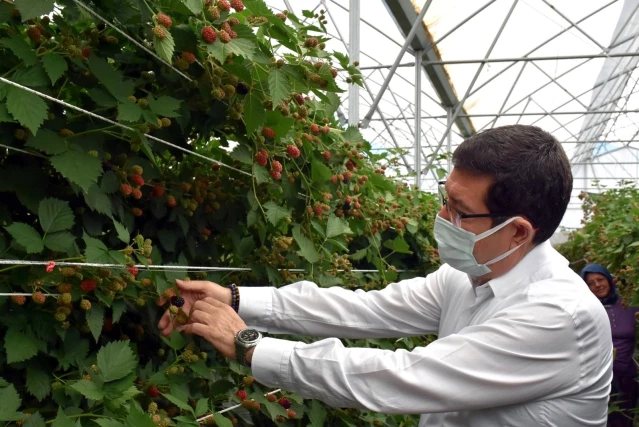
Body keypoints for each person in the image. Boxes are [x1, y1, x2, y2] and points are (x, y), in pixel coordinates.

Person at [158, 125, 613, 426]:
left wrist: (249, 345)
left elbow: (397, 376)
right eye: (445, 199)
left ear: (516, 232)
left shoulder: (559, 318)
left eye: (460, 211)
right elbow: (362, 308)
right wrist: (236, 298)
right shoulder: (467, 274)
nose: (441, 217)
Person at [582, 263, 638, 427]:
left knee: (627, 418)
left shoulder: (628, 305)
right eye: (590, 283)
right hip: (599, 380)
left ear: (609, 279)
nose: (597, 285)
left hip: (629, 376)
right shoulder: (586, 310)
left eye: (600, 279)